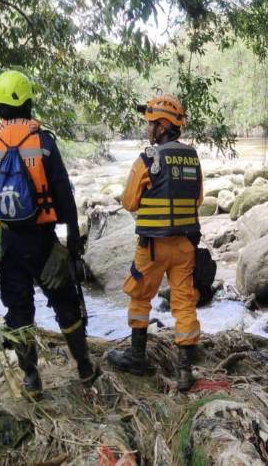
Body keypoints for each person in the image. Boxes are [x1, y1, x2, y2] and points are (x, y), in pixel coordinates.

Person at [0, 70, 98, 400]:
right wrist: (72, 245)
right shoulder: (45, 143)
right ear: (29, 103)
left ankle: (32, 380)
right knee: (64, 301)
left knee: (18, 310)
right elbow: (64, 198)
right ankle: (84, 368)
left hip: (8, 243)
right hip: (43, 240)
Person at [106, 94, 203, 391]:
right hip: (185, 245)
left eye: (150, 122)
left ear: (163, 125)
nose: (148, 128)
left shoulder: (148, 158)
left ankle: (137, 357)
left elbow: (129, 202)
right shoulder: (192, 157)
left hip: (153, 246)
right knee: (184, 302)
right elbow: (198, 199)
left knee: (139, 297)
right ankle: (184, 369)